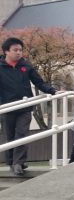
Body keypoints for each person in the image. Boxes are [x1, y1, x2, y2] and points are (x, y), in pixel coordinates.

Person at [0, 37, 57, 176]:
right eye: (15, 50)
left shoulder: (26, 66)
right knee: (10, 136)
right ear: (6, 51)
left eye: (20, 50)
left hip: (25, 107)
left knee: (22, 134)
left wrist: (53, 91)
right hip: (7, 108)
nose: (19, 53)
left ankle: (18, 163)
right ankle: (12, 161)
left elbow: (39, 82)